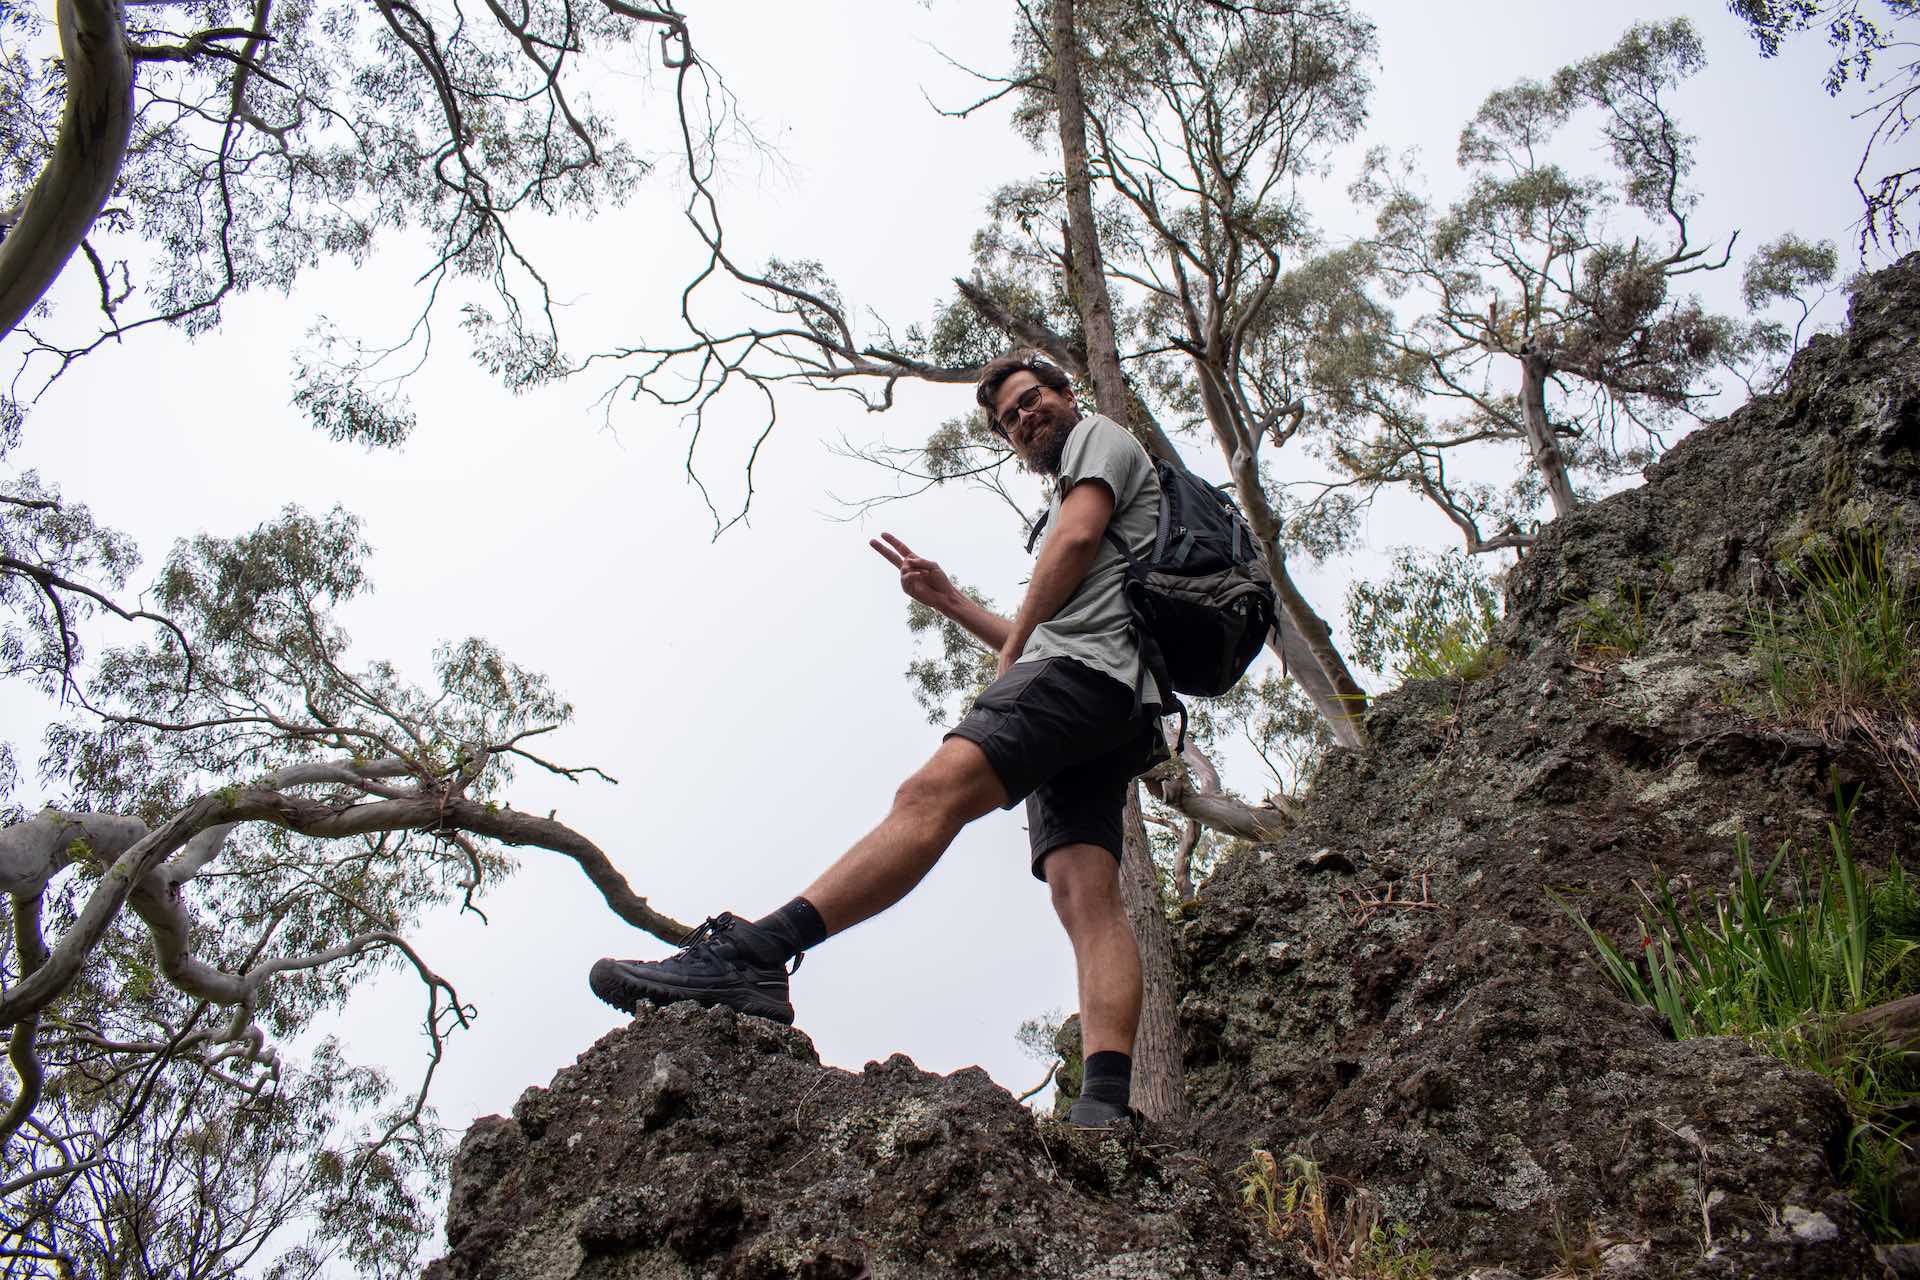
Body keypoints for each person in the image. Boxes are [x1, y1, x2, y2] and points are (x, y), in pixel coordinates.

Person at [589, 352, 1167, 1127]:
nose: (1024, 418)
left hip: (1080, 676)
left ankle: (755, 956)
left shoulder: (1098, 438)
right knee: (1086, 897)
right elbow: (1054, 620)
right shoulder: (1084, 486)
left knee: (929, 794)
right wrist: (952, 601)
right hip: (1117, 700)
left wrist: (1011, 650)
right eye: (1009, 419)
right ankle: (1104, 1107)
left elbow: (1073, 545)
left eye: (1032, 400)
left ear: (1067, 393)